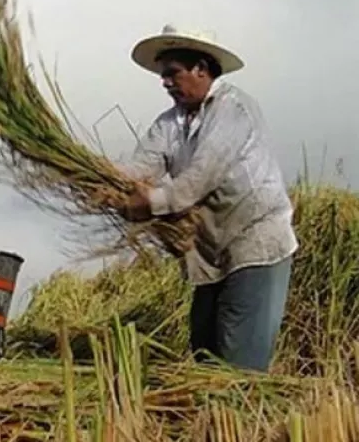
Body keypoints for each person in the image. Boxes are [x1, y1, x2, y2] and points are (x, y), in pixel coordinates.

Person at [118, 24, 298, 372]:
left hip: (256, 244)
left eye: (172, 73)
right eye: (162, 75)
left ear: (201, 68)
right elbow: (141, 168)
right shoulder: (170, 124)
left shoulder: (234, 110)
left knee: (237, 362)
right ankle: (211, 424)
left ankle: (241, 424)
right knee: (204, 351)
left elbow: (199, 178)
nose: (165, 82)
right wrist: (105, 185)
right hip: (209, 252)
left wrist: (151, 203)